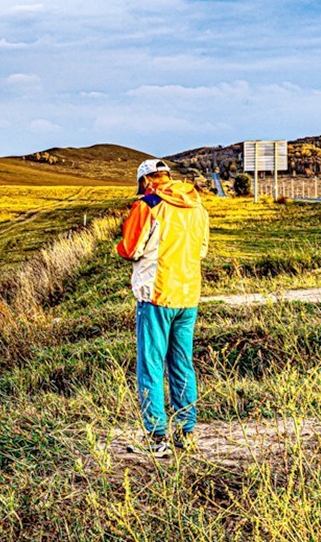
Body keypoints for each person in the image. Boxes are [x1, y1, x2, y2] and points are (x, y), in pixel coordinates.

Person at [116, 159, 210, 457]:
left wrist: (120, 246)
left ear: (145, 181)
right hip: (189, 295)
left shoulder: (148, 205)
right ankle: (186, 434)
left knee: (151, 366)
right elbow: (202, 250)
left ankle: (157, 437)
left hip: (156, 296)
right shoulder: (197, 207)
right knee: (182, 364)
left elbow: (130, 249)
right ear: (168, 177)